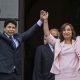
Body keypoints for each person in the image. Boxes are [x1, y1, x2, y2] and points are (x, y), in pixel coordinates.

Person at [0, 10, 45, 80]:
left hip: (17, 73)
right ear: (4, 28)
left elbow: (30, 32)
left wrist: (41, 20)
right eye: (9, 27)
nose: (11, 29)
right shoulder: (1, 38)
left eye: (13, 27)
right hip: (4, 73)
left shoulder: (18, 37)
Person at [43, 10, 80, 80]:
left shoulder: (78, 42)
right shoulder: (57, 43)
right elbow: (47, 34)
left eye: (69, 30)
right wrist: (45, 20)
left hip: (76, 75)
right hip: (61, 75)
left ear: (72, 32)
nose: (66, 32)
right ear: (62, 32)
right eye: (64, 30)